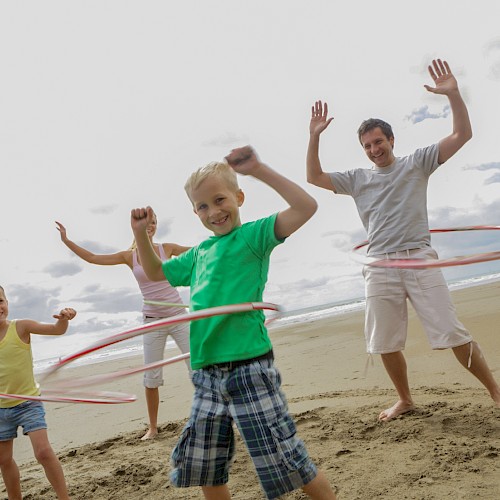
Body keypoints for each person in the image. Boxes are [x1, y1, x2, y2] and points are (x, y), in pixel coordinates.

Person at [131, 146, 337, 500]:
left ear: (239, 197)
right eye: (202, 206)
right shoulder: (198, 254)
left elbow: (306, 207)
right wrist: (140, 235)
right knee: (207, 464)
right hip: (206, 374)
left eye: (220, 199)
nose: (214, 211)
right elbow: (155, 272)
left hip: (249, 368)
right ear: (195, 212)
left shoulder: (253, 237)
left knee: (285, 457)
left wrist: (258, 169)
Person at [306, 58, 500, 422]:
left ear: (391, 139)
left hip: (419, 257)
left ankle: (495, 390)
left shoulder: (417, 163)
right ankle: (405, 399)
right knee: (384, 342)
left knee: (452, 331)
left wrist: (454, 95)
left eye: (378, 141)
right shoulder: (356, 178)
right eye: (367, 145)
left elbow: (462, 135)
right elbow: (313, 176)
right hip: (379, 264)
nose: (374, 149)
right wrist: (315, 135)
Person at [55, 212, 191, 440]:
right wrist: (66, 240)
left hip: (178, 316)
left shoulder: (166, 248)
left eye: (154, 222)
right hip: (152, 322)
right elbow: (92, 257)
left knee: (198, 368)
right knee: (151, 378)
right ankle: (153, 428)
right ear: (137, 227)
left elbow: (203, 250)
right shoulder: (130, 256)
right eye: (147, 223)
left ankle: (212, 415)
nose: (151, 226)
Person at [0, 285, 76, 500]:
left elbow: (56, 330)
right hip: (0, 409)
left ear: (7, 302)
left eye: (0, 301)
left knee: (42, 452)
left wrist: (64, 319)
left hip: (28, 403)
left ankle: (64, 498)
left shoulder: (21, 327)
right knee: (3, 460)